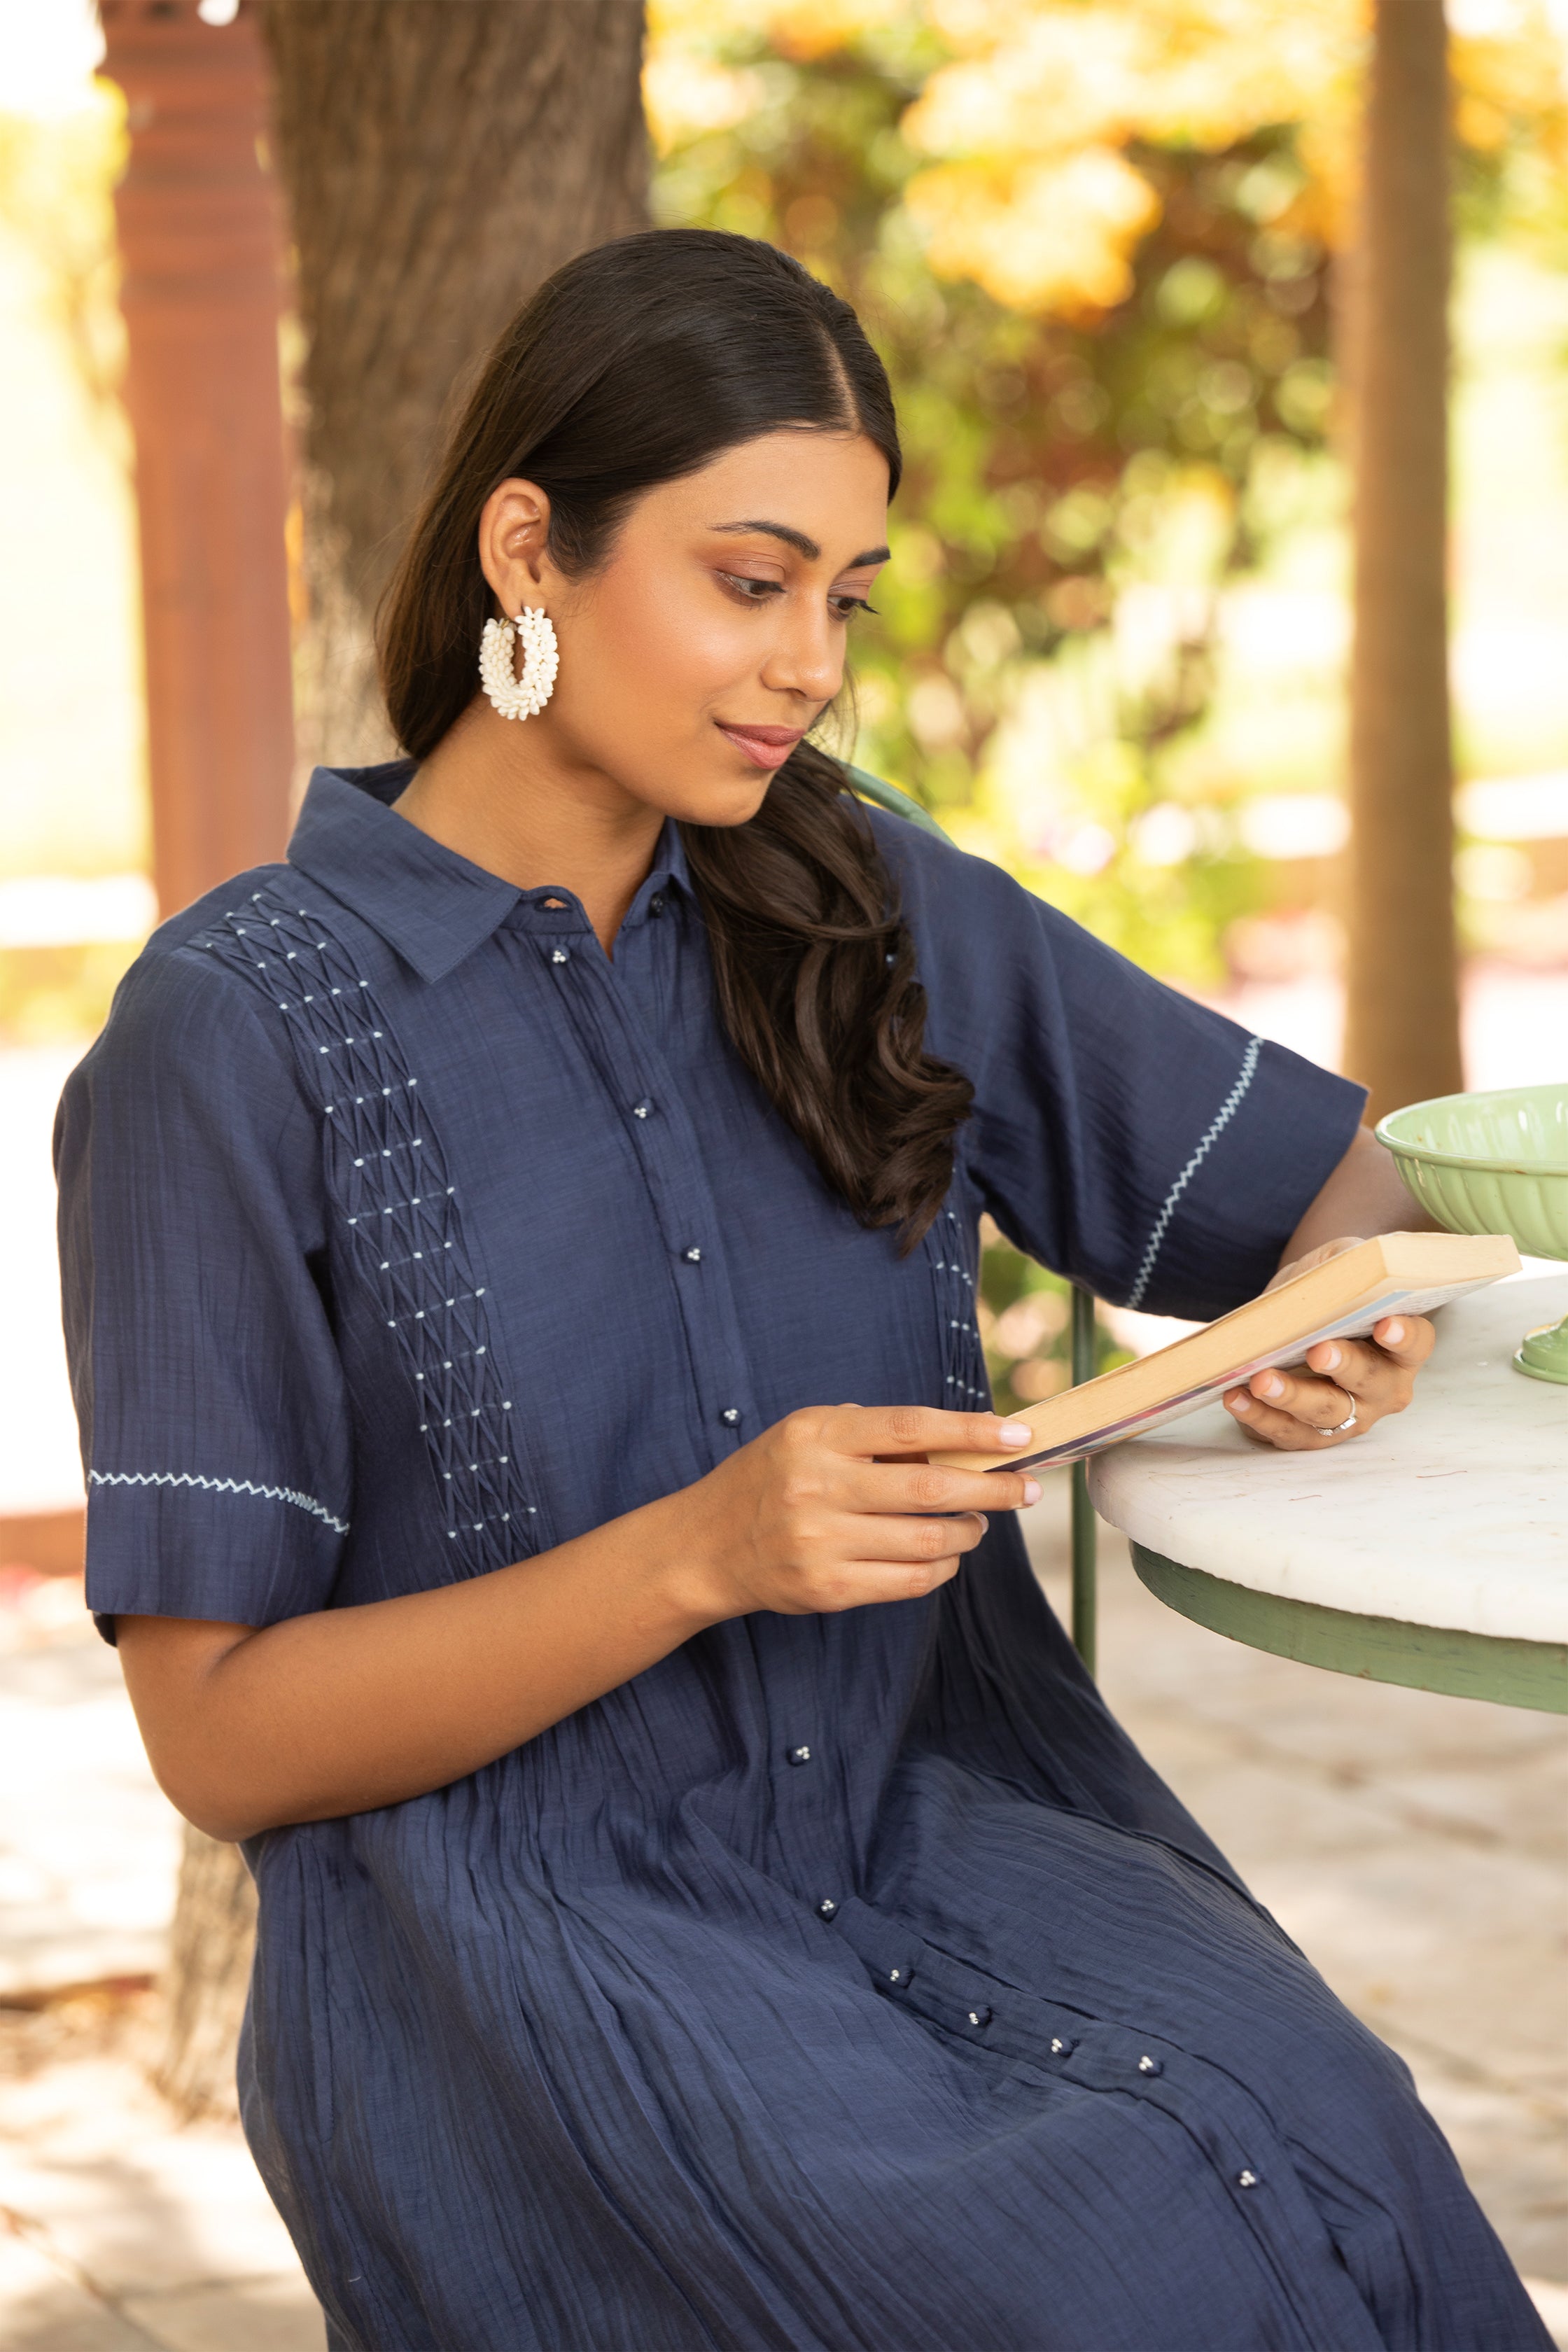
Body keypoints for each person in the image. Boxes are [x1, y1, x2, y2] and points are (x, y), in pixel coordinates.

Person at [57, 229, 1547, 2352]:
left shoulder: (861, 896)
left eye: (841, 600)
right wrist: (704, 1554)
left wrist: (1332, 1317)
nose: (810, 663)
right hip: (525, 1952)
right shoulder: (237, 1035)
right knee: (1107, 2286)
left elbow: (1342, 1176)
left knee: (1341, 2150)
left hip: (943, 1822)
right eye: (749, 584)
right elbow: (215, 1732)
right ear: (529, 554)